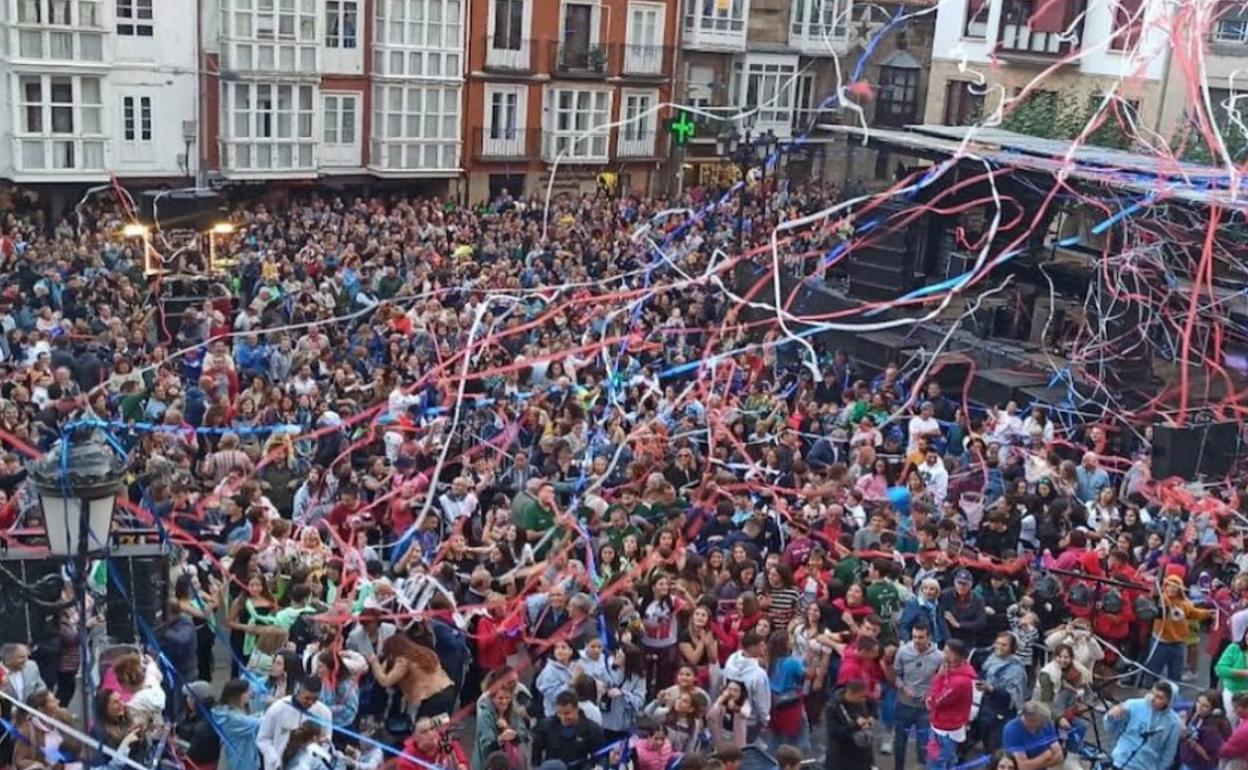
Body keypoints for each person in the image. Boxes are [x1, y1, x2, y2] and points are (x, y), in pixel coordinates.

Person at [892, 622, 941, 770]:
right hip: (904, 704)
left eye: (921, 637)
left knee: (924, 745)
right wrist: (903, 688)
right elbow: (895, 675)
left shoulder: (939, 657)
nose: (917, 641)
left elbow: (941, 680)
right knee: (900, 742)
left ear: (929, 637)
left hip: (925, 708)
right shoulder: (903, 651)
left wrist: (931, 692)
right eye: (914, 637)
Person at [257, 677, 334, 770]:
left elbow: (326, 742)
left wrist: (312, 760)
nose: (311, 702)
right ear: (299, 690)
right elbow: (263, 739)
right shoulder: (278, 708)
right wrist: (274, 759)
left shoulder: (324, 713)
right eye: (307, 698)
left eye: (315, 699)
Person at [1103, 682, 1183, 770]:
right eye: (1152, 693)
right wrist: (1110, 717)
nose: (1153, 699)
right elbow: (1111, 730)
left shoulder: (1174, 723)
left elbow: (1169, 752)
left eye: (1159, 697)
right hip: (1120, 761)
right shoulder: (1133, 705)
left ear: (1169, 701)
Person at [927, 639, 976, 770]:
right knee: (948, 760)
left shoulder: (960, 681)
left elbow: (938, 701)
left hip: (946, 729)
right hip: (945, 725)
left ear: (956, 655)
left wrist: (939, 678)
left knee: (938, 762)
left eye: (947, 652)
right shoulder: (952, 671)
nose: (944, 654)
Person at [531, 690, 605, 769]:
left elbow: (599, 758)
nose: (563, 718)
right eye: (559, 713)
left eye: (567, 713)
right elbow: (536, 755)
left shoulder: (592, 729)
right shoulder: (546, 727)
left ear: (577, 709)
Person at [1000, 701, 1072, 770]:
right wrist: (1046, 755)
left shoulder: (1047, 723)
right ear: (1030, 719)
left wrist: (1034, 764)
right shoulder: (1012, 730)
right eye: (1041, 722)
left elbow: (1059, 757)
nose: (1044, 725)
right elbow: (1023, 767)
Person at [213, 678, 264, 770]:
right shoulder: (233, 718)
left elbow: (250, 719)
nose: (250, 694)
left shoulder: (228, 711)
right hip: (241, 763)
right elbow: (258, 723)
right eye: (248, 691)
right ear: (239, 695)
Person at [825, 679, 874, 770]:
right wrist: (855, 725)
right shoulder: (833, 708)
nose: (863, 699)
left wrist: (869, 720)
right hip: (841, 757)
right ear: (852, 694)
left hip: (861, 755)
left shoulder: (860, 703)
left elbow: (872, 705)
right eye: (861, 696)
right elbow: (834, 732)